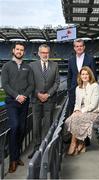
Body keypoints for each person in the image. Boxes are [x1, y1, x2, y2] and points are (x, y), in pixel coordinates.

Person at [1, 42, 34, 173]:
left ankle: (17, 155)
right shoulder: (7, 66)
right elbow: (5, 84)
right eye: (17, 49)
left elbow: (31, 84)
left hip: (24, 102)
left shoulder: (28, 67)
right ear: (13, 50)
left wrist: (24, 96)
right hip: (12, 102)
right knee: (14, 127)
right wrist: (17, 96)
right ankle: (12, 160)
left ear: (24, 52)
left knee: (22, 129)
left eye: (22, 50)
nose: (19, 51)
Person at [28, 44, 60, 158]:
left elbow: (57, 83)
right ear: (39, 53)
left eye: (47, 52)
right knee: (36, 126)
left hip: (49, 100)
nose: (45, 54)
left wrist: (48, 94)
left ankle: (45, 149)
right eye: (43, 52)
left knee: (47, 125)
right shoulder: (31, 65)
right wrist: (38, 94)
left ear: (49, 53)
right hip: (36, 100)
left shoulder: (55, 65)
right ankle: (36, 149)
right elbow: (30, 83)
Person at [65, 66, 99, 155]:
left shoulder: (95, 86)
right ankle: (82, 143)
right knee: (68, 120)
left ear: (90, 75)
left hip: (95, 112)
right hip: (83, 111)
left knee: (76, 119)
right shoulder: (78, 88)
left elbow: (93, 105)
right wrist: (76, 110)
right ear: (80, 76)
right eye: (83, 74)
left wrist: (81, 111)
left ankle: (73, 143)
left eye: (86, 74)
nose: (85, 76)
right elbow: (77, 103)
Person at [67, 38, 97, 117]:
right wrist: (69, 89)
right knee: (73, 113)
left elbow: (94, 76)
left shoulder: (90, 59)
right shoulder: (71, 60)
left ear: (84, 47)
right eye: (77, 46)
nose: (79, 48)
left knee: (85, 112)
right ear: (74, 48)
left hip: (87, 90)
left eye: (81, 46)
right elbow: (69, 76)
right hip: (73, 91)